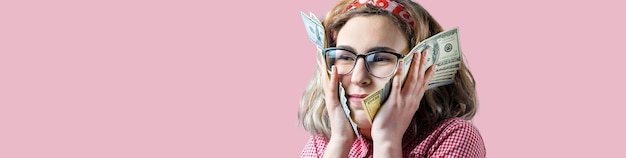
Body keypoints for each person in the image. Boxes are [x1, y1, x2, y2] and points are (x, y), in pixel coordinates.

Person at [298, 0, 486, 157]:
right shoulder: (322, 145)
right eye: (345, 56)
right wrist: (339, 142)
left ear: (419, 65)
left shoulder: (453, 136)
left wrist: (387, 141)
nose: (358, 78)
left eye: (380, 58)